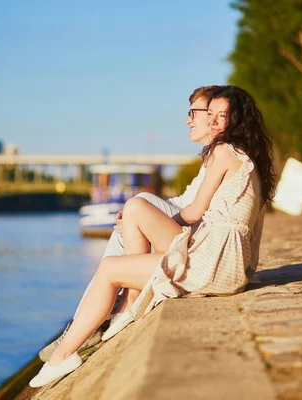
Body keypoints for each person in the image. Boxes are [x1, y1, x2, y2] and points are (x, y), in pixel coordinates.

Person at [30, 85, 277, 387]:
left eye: (220, 116)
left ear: (236, 120)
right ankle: (126, 308)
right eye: (210, 114)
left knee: (113, 261)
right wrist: (151, 220)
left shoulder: (222, 152)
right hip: (223, 259)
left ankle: (64, 354)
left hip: (214, 262)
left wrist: (156, 221)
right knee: (136, 207)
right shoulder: (245, 156)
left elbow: (194, 210)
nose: (212, 122)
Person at [37, 86, 217, 362]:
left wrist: (144, 213)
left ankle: (94, 318)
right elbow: (185, 201)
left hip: (195, 245)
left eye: (194, 111)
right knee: (130, 219)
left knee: (138, 205)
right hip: (185, 234)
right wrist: (143, 215)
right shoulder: (211, 157)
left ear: (216, 116)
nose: (187, 119)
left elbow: (198, 210)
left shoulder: (222, 156)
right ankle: (95, 317)